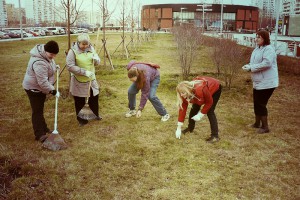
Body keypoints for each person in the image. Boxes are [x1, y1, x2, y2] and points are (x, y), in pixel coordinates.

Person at [22, 40, 60, 142]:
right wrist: (53, 91)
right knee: (37, 111)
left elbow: (49, 70)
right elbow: (42, 82)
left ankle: (43, 127)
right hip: (33, 88)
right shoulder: (39, 62)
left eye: (55, 55)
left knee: (40, 108)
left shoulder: (46, 55)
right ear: (45, 51)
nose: (53, 57)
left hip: (40, 88)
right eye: (51, 54)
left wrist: (54, 68)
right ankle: (39, 134)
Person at [242, 30, 279, 134]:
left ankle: (265, 127)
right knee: (256, 103)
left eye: (259, 37)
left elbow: (267, 63)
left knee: (261, 104)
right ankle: (257, 123)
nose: (256, 39)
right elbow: (254, 62)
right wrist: (249, 65)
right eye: (256, 37)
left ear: (265, 39)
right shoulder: (257, 49)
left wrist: (251, 68)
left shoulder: (269, 49)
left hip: (267, 82)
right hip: (258, 81)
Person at [66, 33, 101, 126]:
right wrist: (84, 72)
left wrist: (97, 59)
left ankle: (95, 114)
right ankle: (81, 119)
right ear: (78, 43)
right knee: (79, 99)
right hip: (79, 79)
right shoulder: (72, 52)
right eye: (83, 44)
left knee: (94, 97)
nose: (85, 46)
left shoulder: (91, 49)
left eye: (87, 44)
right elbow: (70, 66)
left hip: (91, 79)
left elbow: (96, 63)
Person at [175, 76, 222, 143]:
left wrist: (200, 114)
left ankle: (215, 136)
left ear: (188, 90)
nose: (181, 95)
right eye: (180, 93)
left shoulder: (201, 89)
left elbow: (209, 102)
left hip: (215, 88)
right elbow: (182, 109)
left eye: (183, 93)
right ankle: (190, 128)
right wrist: (178, 128)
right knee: (194, 109)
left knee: (210, 111)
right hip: (198, 93)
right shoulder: (184, 93)